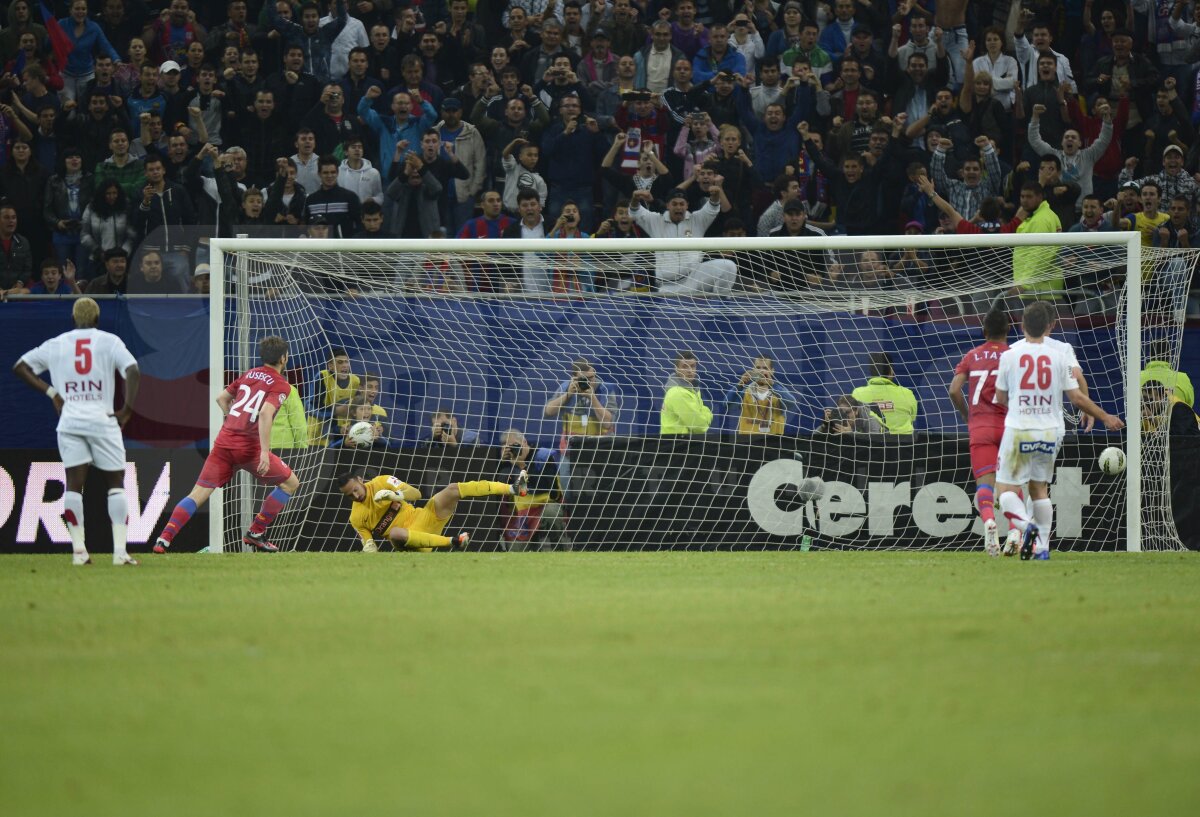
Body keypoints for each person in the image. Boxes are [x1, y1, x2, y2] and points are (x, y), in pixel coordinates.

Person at [12, 297, 140, 565]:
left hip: (70, 421)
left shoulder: (57, 344)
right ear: (97, 319)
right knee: (115, 484)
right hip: (102, 420)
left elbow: (20, 367)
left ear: (73, 319)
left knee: (73, 484)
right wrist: (127, 409)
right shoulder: (109, 341)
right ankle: (119, 553)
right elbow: (132, 369)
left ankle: (79, 552)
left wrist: (52, 393)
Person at [994, 302, 1124, 560]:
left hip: (1020, 428)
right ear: (1050, 326)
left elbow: (1000, 396)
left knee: (1005, 491)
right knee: (1039, 489)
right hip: (1052, 430)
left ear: (1021, 325)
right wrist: (1105, 415)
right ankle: (1041, 547)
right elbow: (1076, 395)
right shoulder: (1060, 354)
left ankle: (1025, 528)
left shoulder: (1009, 354)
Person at [154, 336, 301, 553]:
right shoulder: (281, 384)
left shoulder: (249, 374)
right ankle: (256, 532)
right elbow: (265, 413)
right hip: (249, 448)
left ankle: (163, 540)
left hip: (224, 443)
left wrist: (230, 416)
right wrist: (264, 452)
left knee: (197, 494)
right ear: (283, 358)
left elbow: (221, 398)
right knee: (291, 483)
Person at [333, 467, 529, 553]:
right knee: (394, 534)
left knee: (452, 489)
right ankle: (454, 542)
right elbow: (369, 546)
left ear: (360, 480)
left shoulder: (382, 481)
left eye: (355, 490)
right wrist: (368, 549)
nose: (355, 496)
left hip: (425, 517)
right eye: (349, 495)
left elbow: (416, 494)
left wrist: (395, 495)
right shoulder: (356, 517)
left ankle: (512, 488)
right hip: (410, 541)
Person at [948, 308, 1010, 556]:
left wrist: (967, 414)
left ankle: (988, 522)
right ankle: (1014, 531)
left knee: (984, 484)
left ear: (984, 331)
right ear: (1008, 330)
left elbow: (954, 390)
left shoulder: (972, 355)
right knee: (1012, 485)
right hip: (1008, 427)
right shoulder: (1013, 355)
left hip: (980, 427)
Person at [628, 186, 736, 294]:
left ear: (687, 205)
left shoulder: (697, 220)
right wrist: (635, 198)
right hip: (668, 285)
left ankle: (721, 303)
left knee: (728, 266)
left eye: (681, 204)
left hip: (694, 278)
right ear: (668, 205)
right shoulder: (655, 221)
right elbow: (635, 212)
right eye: (674, 204)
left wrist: (715, 195)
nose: (678, 207)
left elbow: (712, 208)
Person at [496, 428, 568, 551]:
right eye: (509, 448)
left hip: (546, 505)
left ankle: (560, 550)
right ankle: (533, 551)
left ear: (524, 442)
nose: (514, 451)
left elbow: (548, 489)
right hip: (522, 513)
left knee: (552, 514)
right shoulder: (507, 463)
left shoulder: (543, 456)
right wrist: (503, 463)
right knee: (515, 552)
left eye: (515, 446)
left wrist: (522, 466)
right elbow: (500, 490)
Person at [544, 358, 617, 446]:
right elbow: (548, 412)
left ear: (594, 373)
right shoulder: (566, 387)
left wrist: (593, 398)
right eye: (584, 379)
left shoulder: (606, 389)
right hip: (571, 449)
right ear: (574, 378)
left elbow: (608, 423)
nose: (590, 382)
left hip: (601, 448)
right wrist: (568, 395)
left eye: (591, 377)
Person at [722, 355, 800, 434]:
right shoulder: (745, 392)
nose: (761, 371)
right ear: (753, 370)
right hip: (747, 443)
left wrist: (772, 385)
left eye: (765, 368)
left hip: (773, 444)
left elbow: (791, 404)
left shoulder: (779, 392)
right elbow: (727, 405)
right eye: (758, 368)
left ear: (772, 371)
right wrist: (739, 385)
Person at [852, 352, 918, 434]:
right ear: (891, 371)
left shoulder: (857, 393)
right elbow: (912, 419)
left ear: (871, 371)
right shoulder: (907, 393)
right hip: (904, 444)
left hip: (871, 444)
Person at [660, 350, 712, 435]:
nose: (690, 370)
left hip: (682, 443)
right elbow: (700, 427)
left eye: (693, 366)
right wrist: (708, 414)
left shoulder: (692, 389)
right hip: (675, 445)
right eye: (685, 367)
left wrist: (702, 415)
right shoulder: (678, 393)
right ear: (676, 369)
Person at [817, 395, 883, 434]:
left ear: (856, 411)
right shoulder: (839, 417)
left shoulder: (870, 420)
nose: (844, 416)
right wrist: (825, 425)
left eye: (847, 412)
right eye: (841, 412)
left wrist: (852, 434)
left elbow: (875, 445)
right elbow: (814, 437)